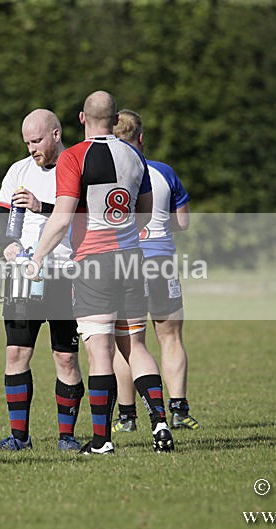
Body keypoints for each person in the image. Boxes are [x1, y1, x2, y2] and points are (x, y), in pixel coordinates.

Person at [30, 91, 174, 455]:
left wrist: (38, 257)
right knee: (136, 346)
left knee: (100, 353)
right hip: (130, 259)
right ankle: (160, 422)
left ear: (81, 118)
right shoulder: (134, 156)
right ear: (114, 118)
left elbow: (62, 217)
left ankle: (102, 440)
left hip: (93, 263)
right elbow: (144, 212)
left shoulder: (75, 157)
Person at [0, 109, 85, 452]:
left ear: (55, 134)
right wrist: (10, 247)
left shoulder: (75, 165)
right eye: (27, 142)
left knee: (66, 358)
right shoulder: (18, 170)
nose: (31, 149)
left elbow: (79, 213)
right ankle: (18, 437)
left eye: (37, 140)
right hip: (23, 277)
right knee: (16, 354)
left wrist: (41, 205)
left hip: (63, 273)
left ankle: (67, 438)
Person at [110, 109, 199, 432]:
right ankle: (178, 410)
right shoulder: (163, 172)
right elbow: (183, 223)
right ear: (141, 138)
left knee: (129, 342)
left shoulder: (107, 176)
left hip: (125, 263)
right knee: (171, 337)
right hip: (160, 261)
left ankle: (127, 416)